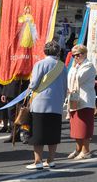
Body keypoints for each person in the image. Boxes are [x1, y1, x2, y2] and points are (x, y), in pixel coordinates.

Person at [26, 41, 67, 170]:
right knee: (53, 133)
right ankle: (51, 160)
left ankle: (38, 161)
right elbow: (65, 86)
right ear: (58, 52)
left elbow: (34, 84)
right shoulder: (62, 66)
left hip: (40, 102)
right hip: (56, 103)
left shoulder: (40, 64)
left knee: (38, 133)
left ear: (45, 51)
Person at [67, 44, 97, 160]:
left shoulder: (88, 66)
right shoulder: (76, 66)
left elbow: (79, 78)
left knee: (84, 126)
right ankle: (78, 148)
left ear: (84, 54)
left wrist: (74, 68)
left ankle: (86, 150)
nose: (75, 57)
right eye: (73, 55)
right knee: (75, 127)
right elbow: (69, 78)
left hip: (85, 100)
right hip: (74, 99)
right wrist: (74, 67)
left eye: (78, 55)